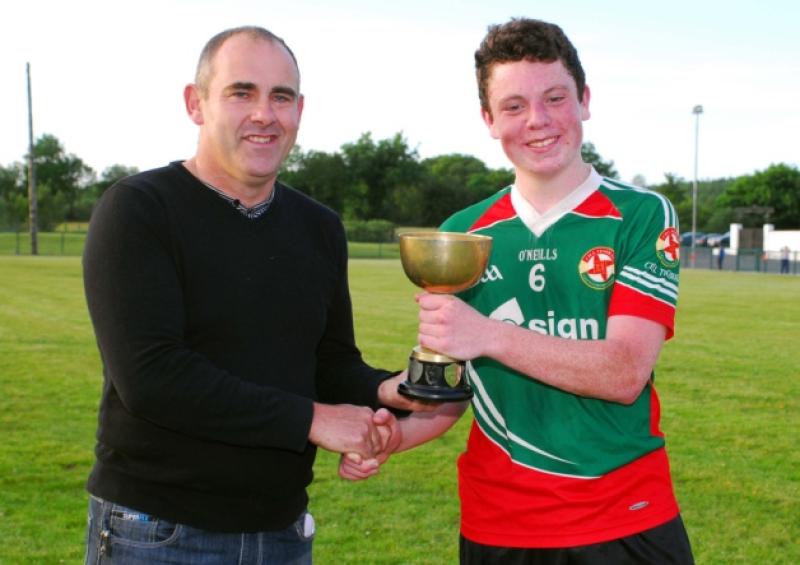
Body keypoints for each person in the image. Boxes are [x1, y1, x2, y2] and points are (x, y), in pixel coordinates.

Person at [342, 18, 694, 564]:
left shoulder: (641, 214)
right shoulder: (464, 233)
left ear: (584, 101)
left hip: (625, 516)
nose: (537, 121)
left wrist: (488, 335)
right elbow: (455, 394)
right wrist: (392, 440)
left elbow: (625, 373)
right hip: (499, 525)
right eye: (513, 106)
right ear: (488, 119)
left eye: (555, 97)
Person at [82, 26, 425, 563]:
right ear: (196, 104)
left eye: (281, 96)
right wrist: (314, 420)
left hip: (282, 532)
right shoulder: (139, 209)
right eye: (242, 92)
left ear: (299, 110)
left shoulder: (319, 228)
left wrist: (389, 392)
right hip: (158, 532)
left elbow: (329, 364)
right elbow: (152, 378)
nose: (265, 113)